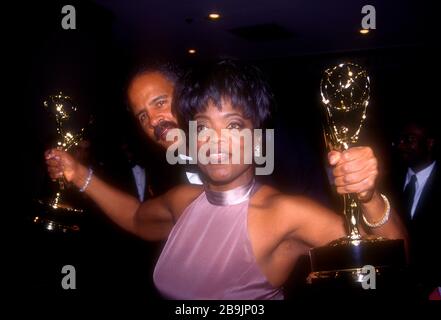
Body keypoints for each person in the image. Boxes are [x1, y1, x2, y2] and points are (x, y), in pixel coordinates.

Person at [46, 59, 407, 299]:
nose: (214, 139)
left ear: (257, 136)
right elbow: (138, 219)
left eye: (233, 125)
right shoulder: (185, 198)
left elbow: (395, 259)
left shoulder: (283, 212)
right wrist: (79, 174)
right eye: (202, 127)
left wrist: (369, 195)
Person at [391, 116, 440, 299]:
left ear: (429, 143)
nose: (401, 145)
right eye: (399, 139)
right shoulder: (386, 183)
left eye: (409, 139)